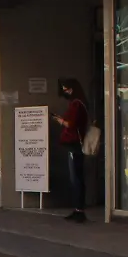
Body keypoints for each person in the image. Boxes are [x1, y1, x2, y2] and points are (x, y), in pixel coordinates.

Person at [54, 78, 90, 223]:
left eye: (67, 89)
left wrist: (60, 121)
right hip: (76, 144)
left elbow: (71, 124)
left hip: (75, 144)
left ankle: (79, 210)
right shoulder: (81, 102)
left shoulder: (76, 104)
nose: (65, 92)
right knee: (76, 177)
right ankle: (78, 209)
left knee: (76, 177)